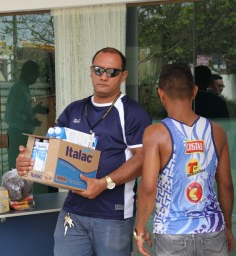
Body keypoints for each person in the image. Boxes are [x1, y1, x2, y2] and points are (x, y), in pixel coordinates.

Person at [16, 47, 152, 256]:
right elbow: (52, 151)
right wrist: (28, 159)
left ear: (123, 76)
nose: (104, 76)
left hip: (113, 216)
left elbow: (143, 160)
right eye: (98, 70)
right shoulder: (74, 110)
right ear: (90, 71)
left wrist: (104, 183)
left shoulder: (133, 113)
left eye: (112, 72)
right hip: (73, 212)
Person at [135, 63, 234, 256]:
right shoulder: (217, 132)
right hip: (213, 229)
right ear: (195, 91)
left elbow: (148, 187)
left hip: (171, 232)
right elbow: (226, 185)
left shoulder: (155, 134)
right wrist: (228, 226)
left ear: (160, 93)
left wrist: (140, 229)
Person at [5, 60, 49, 170]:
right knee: (16, 172)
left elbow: (21, 111)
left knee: (26, 170)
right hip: (17, 136)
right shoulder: (18, 89)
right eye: (36, 73)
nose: (37, 77)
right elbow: (11, 115)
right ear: (28, 73)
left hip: (23, 134)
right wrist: (29, 120)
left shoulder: (24, 88)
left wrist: (35, 110)